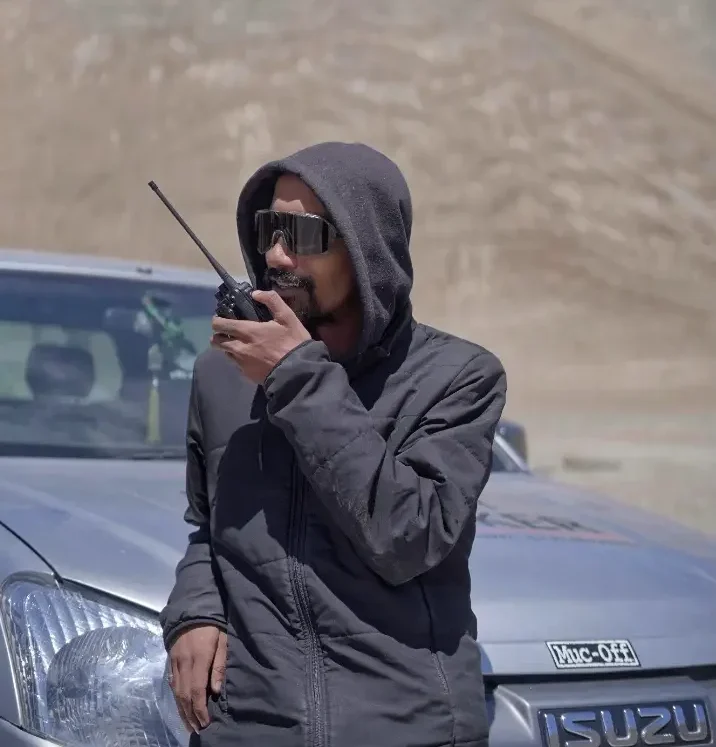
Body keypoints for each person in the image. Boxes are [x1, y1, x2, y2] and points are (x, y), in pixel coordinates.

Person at [160, 141, 507, 747]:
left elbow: (409, 536)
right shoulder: (222, 375)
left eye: (303, 235)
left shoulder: (458, 378)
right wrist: (195, 610)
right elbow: (209, 530)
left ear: (368, 250)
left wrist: (296, 380)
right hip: (248, 728)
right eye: (269, 229)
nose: (276, 254)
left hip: (403, 729)